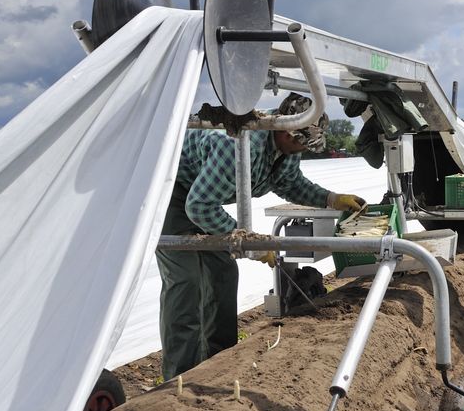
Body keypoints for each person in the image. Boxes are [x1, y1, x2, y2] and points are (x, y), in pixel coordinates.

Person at [156, 93, 365, 381]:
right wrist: (251, 246)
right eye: (299, 143)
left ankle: (219, 361)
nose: (300, 150)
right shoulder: (238, 146)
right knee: (186, 281)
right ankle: (179, 375)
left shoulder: (287, 147)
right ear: (284, 131)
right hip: (171, 192)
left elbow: (290, 183)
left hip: (202, 195)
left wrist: (331, 199)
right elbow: (198, 206)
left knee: (223, 272)